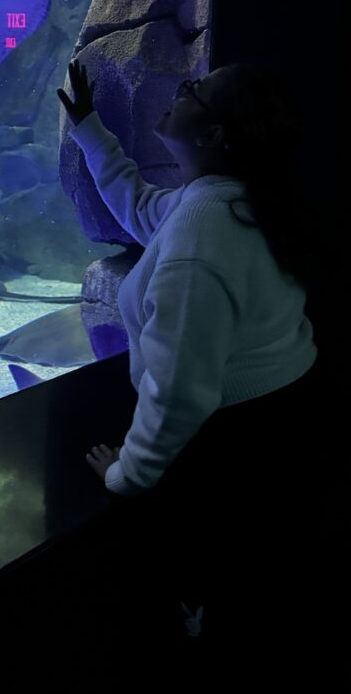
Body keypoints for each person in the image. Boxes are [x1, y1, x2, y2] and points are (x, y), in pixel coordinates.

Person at [56, 58, 333, 667]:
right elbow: (144, 209)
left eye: (193, 91)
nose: (178, 89)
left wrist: (127, 473)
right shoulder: (226, 199)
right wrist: (88, 130)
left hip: (235, 446)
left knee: (212, 601)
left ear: (213, 135)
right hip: (284, 413)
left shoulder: (202, 235)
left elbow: (180, 389)